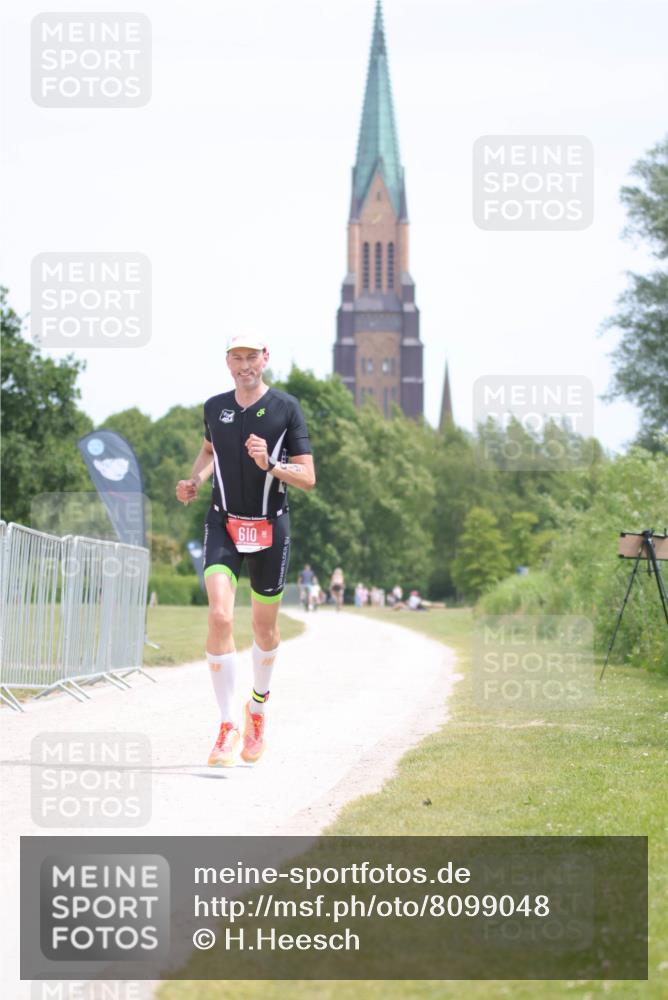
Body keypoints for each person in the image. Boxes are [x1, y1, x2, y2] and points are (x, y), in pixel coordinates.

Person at [175, 335, 316, 767]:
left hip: (270, 526)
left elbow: (308, 477)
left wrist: (270, 465)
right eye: (237, 358)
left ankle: (256, 710)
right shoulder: (214, 406)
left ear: (265, 359)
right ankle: (226, 724)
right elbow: (209, 449)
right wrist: (196, 480)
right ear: (228, 362)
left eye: (251, 357)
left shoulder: (286, 408)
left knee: (263, 628)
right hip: (223, 523)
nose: (244, 365)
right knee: (219, 615)